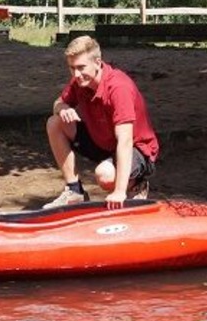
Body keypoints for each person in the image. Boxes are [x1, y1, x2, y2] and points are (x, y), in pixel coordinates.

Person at [44, 35, 160, 209]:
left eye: (81, 67)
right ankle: (75, 191)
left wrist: (119, 191)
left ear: (97, 63)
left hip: (136, 149)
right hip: (104, 143)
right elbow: (57, 103)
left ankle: (136, 185)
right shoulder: (80, 81)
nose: (76, 74)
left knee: (104, 176)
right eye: (72, 68)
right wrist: (63, 108)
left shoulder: (118, 88)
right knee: (54, 122)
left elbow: (125, 141)